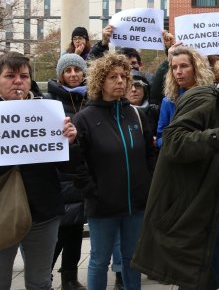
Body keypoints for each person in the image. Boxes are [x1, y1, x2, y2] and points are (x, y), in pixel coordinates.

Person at [132, 60, 219, 289]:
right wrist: (217, 135)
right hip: (196, 213)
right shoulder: (205, 98)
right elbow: (173, 141)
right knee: (193, 280)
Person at [73, 52, 157, 290]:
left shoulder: (136, 114)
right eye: (113, 77)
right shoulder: (85, 119)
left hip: (136, 205)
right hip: (103, 207)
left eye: (123, 76)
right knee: (99, 261)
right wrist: (93, 192)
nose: (120, 81)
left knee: (133, 260)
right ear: (100, 81)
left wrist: (147, 185)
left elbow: (150, 155)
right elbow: (77, 164)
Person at [0, 51, 80, 290]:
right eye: (10, 75)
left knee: (40, 282)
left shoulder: (48, 112)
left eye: (24, 76)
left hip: (43, 212)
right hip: (2, 211)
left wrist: (71, 143)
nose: (18, 81)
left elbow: (69, 167)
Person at [44, 53, 89, 290]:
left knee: (74, 229)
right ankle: (44, 276)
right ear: (60, 74)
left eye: (77, 70)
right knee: (57, 232)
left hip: (82, 173)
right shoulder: (48, 100)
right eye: (68, 70)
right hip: (60, 176)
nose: (73, 75)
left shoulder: (90, 98)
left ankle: (69, 278)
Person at [156, 46, 215, 148]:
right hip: (178, 158)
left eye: (183, 66)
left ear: (196, 68)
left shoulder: (212, 96)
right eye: (174, 67)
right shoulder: (168, 101)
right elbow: (160, 138)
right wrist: (173, 143)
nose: (178, 71)